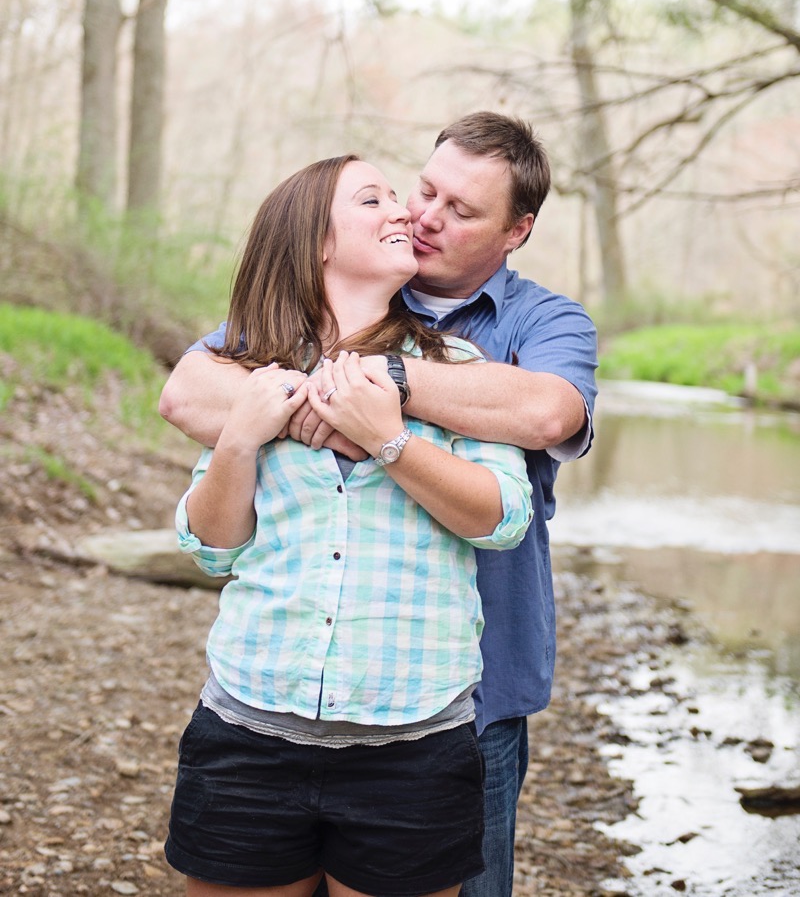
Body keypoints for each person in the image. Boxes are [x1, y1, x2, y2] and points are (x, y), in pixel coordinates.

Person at [160, 113, 599, 897]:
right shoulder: (282, 335)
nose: (423, 214)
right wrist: (305, 405)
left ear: (516, 231)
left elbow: (545, 416)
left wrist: (387, 399)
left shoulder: (536, 325)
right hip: (267, 703)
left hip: (461, 695)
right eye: (419, 190)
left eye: (461, 211)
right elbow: (191, 388)